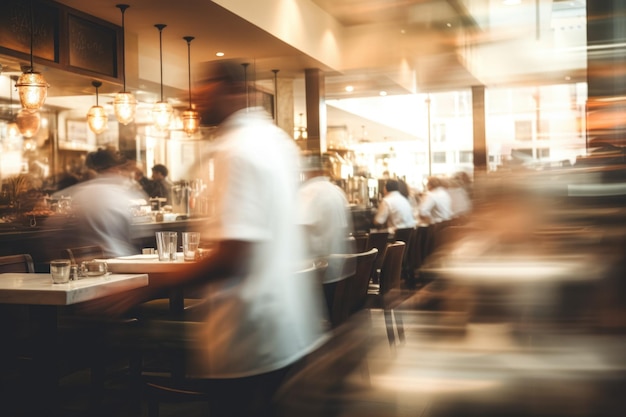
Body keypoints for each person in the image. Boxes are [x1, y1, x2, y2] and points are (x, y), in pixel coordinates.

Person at [82, 59, 328, 417]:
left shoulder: (238, 150)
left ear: (232, 89)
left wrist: (143, 287)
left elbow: (233, 255)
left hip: (250, 330)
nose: (192, 95)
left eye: (204, 85)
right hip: (286, 326)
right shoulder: (276, 139)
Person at [59, 147, 144, 257]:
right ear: (114, 169)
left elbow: (55, 226)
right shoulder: (120, 194)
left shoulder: (81, 193)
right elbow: (138, 233)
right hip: (117, 259)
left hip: (91, 261)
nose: (124, 173)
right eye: (122, 169)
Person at [297, 152, 355, 284]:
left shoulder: (308, 192)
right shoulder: (336, 191)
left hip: (320, 278)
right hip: (342, 274)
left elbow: (298, 233)